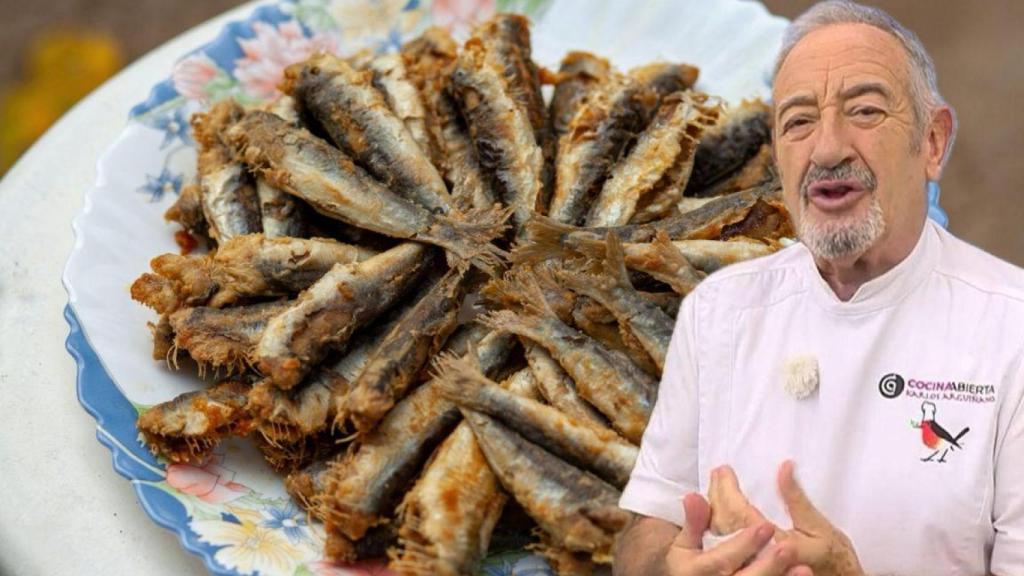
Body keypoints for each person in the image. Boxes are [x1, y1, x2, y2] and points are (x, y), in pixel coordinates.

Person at [613, 1, 1023, 575]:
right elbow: (649, 530)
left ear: (933, 143)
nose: (827, 149)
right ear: (776, 153)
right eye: (799, 122)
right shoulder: (716, 309)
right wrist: (666, 568)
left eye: (865, 111)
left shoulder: (1012, 329)